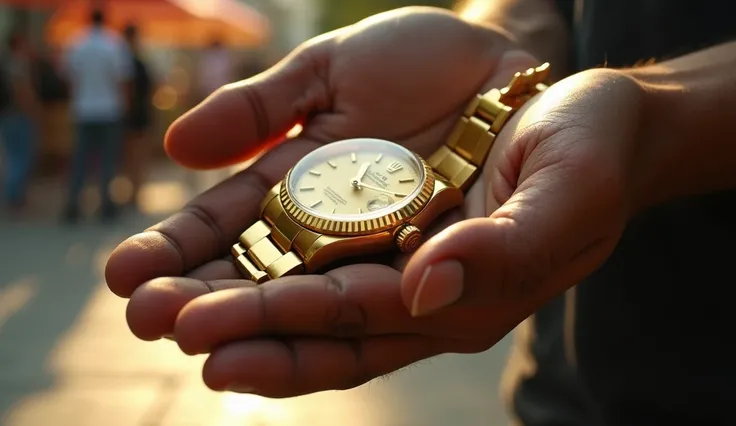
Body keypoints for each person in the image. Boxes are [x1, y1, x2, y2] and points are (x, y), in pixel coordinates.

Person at [105, 0, 736, 424]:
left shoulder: (432, 192)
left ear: (405, 231)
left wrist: (659, 118)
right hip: (564, 393)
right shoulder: (379, 179)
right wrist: (506, 40)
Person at [61, 8, 132, 223]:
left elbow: (69, 79)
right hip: (109, 110)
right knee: (108, 159)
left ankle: (73, 205)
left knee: (80, 159)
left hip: (83, 110)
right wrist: (125, 105)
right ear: (106, 20)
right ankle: (106, 205)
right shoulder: (114, 44)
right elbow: (122, 79)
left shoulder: (76, 43)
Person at [0, 30, 41, 216]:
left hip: (8, 116)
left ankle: (15, 198)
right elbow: (22, 93)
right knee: (20, 158)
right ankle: (15, 199)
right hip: (18, 116)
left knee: (14, 157)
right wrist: (33, 113)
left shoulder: (8, 64)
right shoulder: (18, 65)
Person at [121, 23, 154, 210]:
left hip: (133, 113)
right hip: (139, 111)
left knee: (133, 155)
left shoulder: (128, 60)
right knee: (136, 155)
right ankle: (135, 192)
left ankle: (134, 193)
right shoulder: (137, 61)